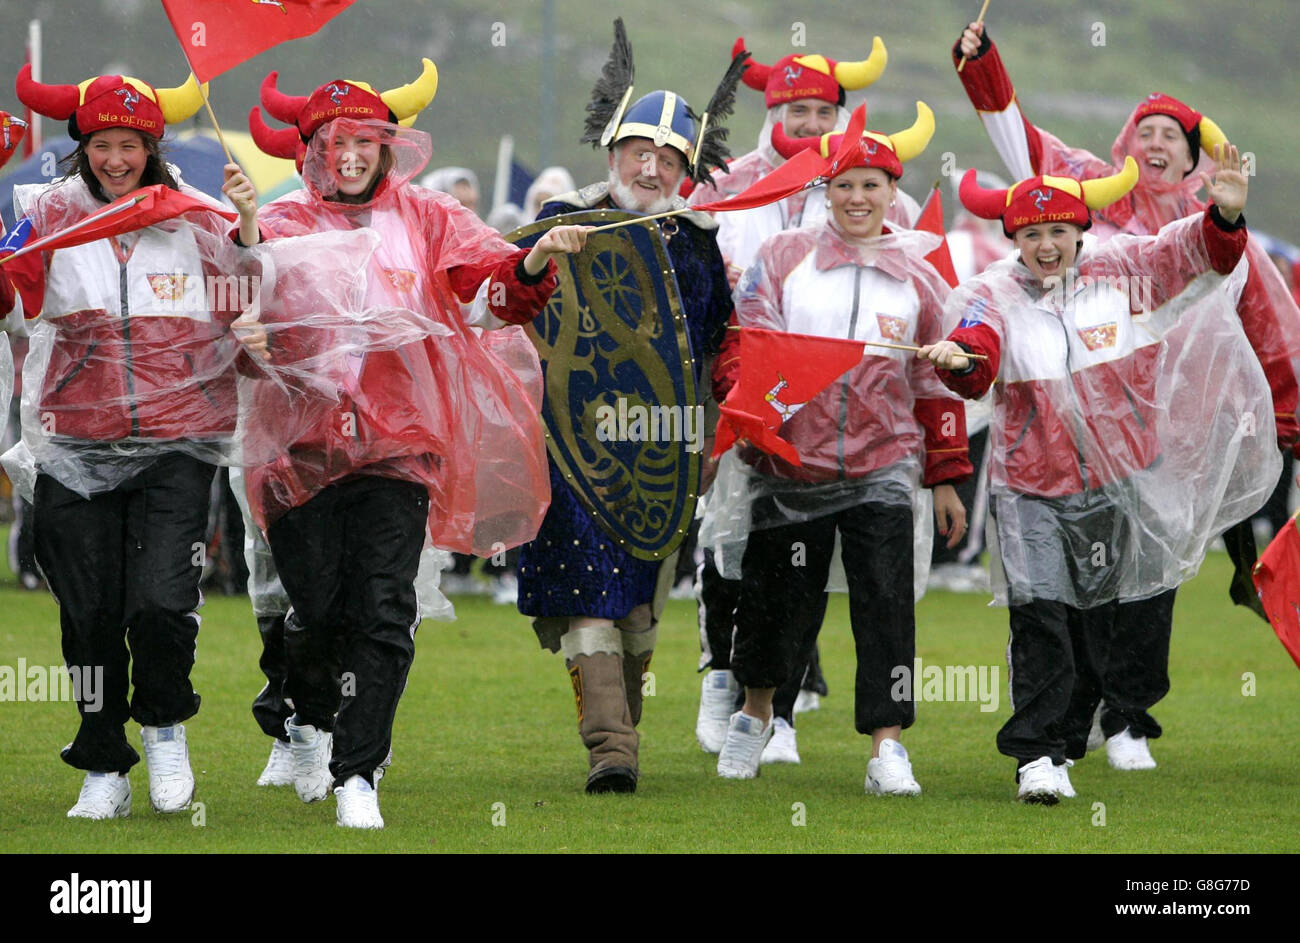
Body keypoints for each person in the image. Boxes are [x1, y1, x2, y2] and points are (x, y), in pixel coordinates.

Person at [243, 59, 587, 828]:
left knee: (386, 606)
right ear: (310, 154)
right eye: (334, 142)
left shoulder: (426, 217)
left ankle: (358, 772)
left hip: (401, 445)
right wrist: (245, 311)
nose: (351, 154)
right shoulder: (281, 224)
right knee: (317, 611)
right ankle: (308, 711)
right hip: (297, 451)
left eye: (365, 139)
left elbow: (493, 282)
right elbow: (236, 313)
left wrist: (535, 258)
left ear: (386, 147)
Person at [952, 20, 1300, 771]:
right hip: (1070, 437)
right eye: (1142, 130)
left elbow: (1268, 319)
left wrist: (1288, 412)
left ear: (1194, 150)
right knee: (1074, 585)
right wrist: (983, 67)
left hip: (1186, 429)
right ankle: (1072, 721)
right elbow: (1022, 153)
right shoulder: (1088, 204)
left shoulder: (1210, 223)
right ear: (1123, 146)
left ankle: (1129, 717)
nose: (1154, 142)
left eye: (1171, 132)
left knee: (1154, 574)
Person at [920, 147, 1273, 802]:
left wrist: (1223, 215)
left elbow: (1187, 252)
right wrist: (962, 359)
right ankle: (1034, 755)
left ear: (1082, 230)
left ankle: (1070, 736)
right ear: (1014, 239)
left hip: (1113, 485)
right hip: (1029, 486)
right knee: (1040, 615)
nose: (1046, 244)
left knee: (1093, 624)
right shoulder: (991, 292)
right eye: (1032, 234)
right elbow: (977, 347)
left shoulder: (1122, 271)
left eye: (1058, 231)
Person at [0, 65, 264, 819]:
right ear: (82, 147)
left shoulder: (197, 216)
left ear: (154, 148)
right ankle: (102, 761)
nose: (118, 160)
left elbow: (246, 305)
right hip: (70, 447)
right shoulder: (45, 213)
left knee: (159, 602)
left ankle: (165, 726)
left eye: (132, 146)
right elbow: (12, 299)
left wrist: (246, 226)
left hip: (177, 446)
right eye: (104, 145)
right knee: (86, 614)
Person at [710, 105, 972, 790]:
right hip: (789, 466)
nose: (857, 198)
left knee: (886, 605)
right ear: (825, 191)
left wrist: (944, 475)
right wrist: (750, 420)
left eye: (871, 185)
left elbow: (933, 379)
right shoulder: (783, 259)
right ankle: (756, 714)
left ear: (894, 191)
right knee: (775, 607)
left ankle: (887, 748)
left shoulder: (919, 274)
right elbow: (746, 348)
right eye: (844, 185)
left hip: (884, 465)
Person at [514, 19, 737, 794]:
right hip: (574, 447)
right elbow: (512, 308)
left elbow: (716, 345)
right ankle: (611, 748)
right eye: (639, 153)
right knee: (588, 593)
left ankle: (621, 729)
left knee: (639, 611)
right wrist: (541, 256)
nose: (651, 166)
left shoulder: (699, 242)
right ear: (613, 155)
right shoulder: (559, 222)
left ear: (685, 168)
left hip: (665, 449)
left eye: (668, 157)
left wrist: (721, 427)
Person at [686, 36, 917, 763]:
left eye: (823, 110)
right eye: (795, 108)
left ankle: (787, 711)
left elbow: (932, 323)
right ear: (770, 110)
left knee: (840, 584)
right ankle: (729, 681)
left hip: (856, 440)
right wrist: (744, 393)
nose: (811, 122)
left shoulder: (877, 206)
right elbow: (707, 280)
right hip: (741, 391)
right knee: (733, 556)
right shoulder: (728, 181)